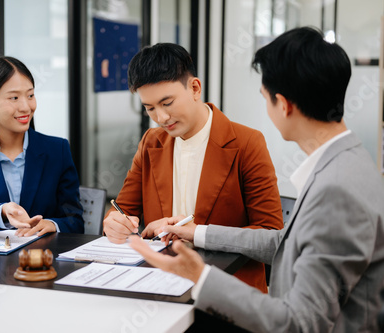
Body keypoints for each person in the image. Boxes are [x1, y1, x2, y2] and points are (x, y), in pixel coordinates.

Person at [129, 27, 384, 332]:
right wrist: (196, 233)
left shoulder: (336, 188)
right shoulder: (348, 162)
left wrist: (201, 276)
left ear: (284, 104)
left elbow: (301, 323)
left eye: (265, 98)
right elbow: (283, 241)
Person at [103, 43, 283, 293]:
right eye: (150, 108)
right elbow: (123, 210)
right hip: (160, 285)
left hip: (229, 293)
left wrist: (197, 233)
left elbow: (270, 234)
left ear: (195, 88)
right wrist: (114, 223)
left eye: (167, 103)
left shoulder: (246, 143)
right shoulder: (151, 143)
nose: (161, 118)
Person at [0, 56, 84, 236]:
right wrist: (1, 211)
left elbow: (75, 220)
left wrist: (53, 224)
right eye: (14, 97)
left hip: (42, 260)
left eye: (30, 95)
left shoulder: (57, 151)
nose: (26, 107)